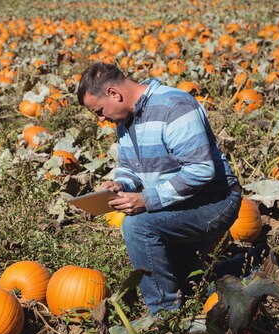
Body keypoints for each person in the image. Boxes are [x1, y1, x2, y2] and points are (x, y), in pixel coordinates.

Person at [77, 63, 242, 314]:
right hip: (178, 203)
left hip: (215, 201)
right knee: (189, 283)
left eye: (99, 111)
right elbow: (130, 168)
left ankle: (164, 314)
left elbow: (201, 171)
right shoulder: (126, 120)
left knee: (138, 226)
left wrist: (146, 199)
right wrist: (120, 183)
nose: (100, 119)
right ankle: (235, 270)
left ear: (114, 93)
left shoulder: (174, 106)